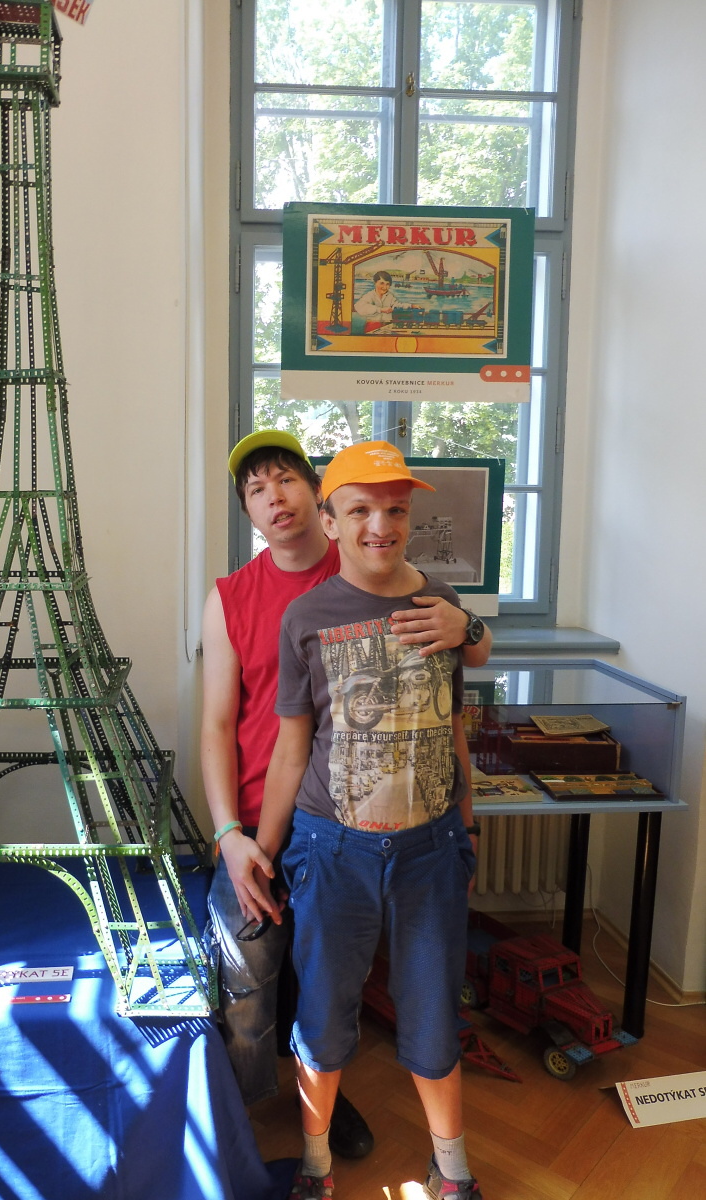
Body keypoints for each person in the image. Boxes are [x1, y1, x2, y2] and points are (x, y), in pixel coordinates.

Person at [202, 430, 491, 1164]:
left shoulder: (396, 576)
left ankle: (355, 1120)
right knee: (253, 972)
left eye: (286, 480)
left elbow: (461, 688)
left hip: (395, 832)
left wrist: (470, 626)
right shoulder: (244, 600)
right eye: (256, 489)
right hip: (277, 821)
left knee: (361, 988)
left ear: (316, 501)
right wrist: (236, 839)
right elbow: (226, 726)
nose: (275, 498)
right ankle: (252, 1129)